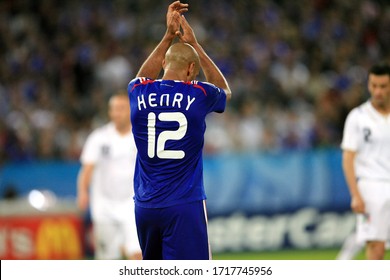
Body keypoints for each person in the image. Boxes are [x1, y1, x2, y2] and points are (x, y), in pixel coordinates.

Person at [127, 1, 231, 260]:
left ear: (163, 62)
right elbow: (225, 92)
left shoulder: (137, 92)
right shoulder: (199, 94)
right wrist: (195, 46)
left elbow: (142, 76)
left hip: (145, 207)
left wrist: (167, 37)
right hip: (184, 204)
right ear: (191, 70)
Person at [77, 91, 142, 260]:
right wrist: (83, 191)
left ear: (131, 109)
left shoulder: (140, 137)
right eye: (113, 109)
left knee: (138, 254)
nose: (116, 113)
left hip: (132, 204)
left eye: (121, 108)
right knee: (107, 259)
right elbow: (87, 168)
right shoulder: (99, 138)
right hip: (104, 206)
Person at [340, 62, 390, 260]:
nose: (378, 91)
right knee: (376, 248)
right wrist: (355, 195)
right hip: (371, 187)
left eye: (383, 86)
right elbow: (348, 158)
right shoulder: (358, 117)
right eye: (374, 85)